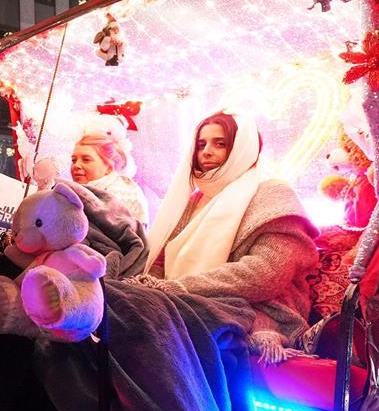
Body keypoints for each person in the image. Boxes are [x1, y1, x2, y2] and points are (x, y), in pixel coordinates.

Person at [131, 110, 319, 362]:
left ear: (244, 149)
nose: (206, 151)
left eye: (220, 143)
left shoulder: (272, 194)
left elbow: (266, 273)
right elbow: (160, 262)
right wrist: (148, 288)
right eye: (201, 144)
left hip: (256, 309)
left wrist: (176, 289)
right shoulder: (193, 201)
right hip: (182, 303)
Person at [70, 132, 149, 224]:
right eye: (74, 160)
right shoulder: (76, 191)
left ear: (108, 167)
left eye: (86, 160)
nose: (76, 165)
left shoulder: (120, 193)